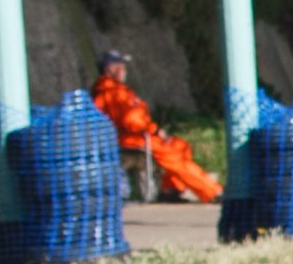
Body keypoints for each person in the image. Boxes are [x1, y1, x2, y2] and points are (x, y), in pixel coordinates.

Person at [89, 50, 221, 203]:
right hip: (130, 139)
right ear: (110, 69)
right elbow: (133, 121)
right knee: (172, 154)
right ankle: (213, 192)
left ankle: (171, 189)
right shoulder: (113, 92)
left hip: (135, 136)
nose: (124, 70)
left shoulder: (115, 89)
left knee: (181, 145)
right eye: (121, 65)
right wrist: (156, 131)